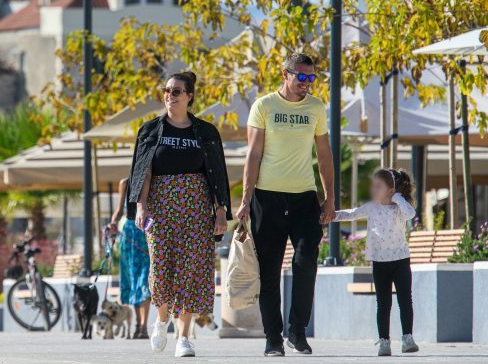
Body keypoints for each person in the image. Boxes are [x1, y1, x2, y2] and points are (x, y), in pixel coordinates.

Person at [127, 71, 232, 358]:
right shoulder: (150, 130)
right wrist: (141, 205)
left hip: (197, 206)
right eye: (166, 90)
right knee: (160, 270)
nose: (169, 95)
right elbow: (143, 170)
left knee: (191, 270)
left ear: (189, 96)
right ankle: (162, 321)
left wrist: (220, 211)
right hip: (160, 206)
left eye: (176, 91)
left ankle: (183, 337)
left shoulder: (206, 132)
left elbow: (218, 174)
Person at [236, 53, 334, 357]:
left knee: (306, 262)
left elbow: (325, 155)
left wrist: (329, 198)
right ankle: (273, 339)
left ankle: (297, 331)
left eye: (311, 78)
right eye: (300, 77)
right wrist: (245, 201)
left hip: (304, 197)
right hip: (267, 198)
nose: (306, 83)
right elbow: (253, 155)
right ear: (285, 74)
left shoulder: (316, 107)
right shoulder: (264, 106)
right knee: (269, 271)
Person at [331, 168, 419, 357]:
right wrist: (332, 215)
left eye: (378, 186)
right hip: (380, 263)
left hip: (401, 260)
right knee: (383, 303)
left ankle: (407, 338)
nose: (374, 188)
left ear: (390, 189)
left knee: (405, 300)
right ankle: (384, 342)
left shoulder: (400, 208)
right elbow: (352, 213)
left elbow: (411, 214)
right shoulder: (372, 207)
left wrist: (398, 198)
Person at [107, 177, 151, 339]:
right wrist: (112, 224)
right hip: (129, 235)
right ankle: (138, 324)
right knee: (132, 281)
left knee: (145, 280)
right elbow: (119, 211)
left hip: (147, 232)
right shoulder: (125, 183)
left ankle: (144, 326)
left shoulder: (153, 180)